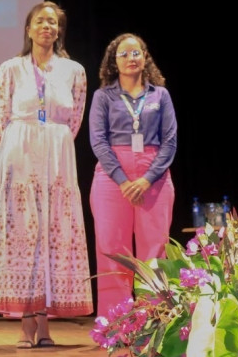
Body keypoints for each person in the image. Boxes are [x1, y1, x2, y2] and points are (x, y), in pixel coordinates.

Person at [0, 0, 93, 349]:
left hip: (58, 154)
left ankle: (46, 322)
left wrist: (54, 142)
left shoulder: (74, 70)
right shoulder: (10, 68)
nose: (47, 27)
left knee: (54, 234)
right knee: (23, 234)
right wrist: (18, 150)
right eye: (40, 21)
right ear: (29, 28)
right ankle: (25, 322)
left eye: (53, 22)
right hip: (20, 151)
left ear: (58, 30)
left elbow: (75, 117)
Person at [88, 33, 177, 321]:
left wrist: (148, 178)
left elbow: (170, 141)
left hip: (154, 176)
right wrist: (124, 181)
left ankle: (153, 321)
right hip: (113, 178)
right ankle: (116, 324)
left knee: (155, 248)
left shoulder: (160, 95)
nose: (130, 58)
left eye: (136, 52)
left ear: (145, 57)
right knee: (113, 249)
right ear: (114, 62)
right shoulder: (104, 96)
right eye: (123, 54)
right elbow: (98, 142)